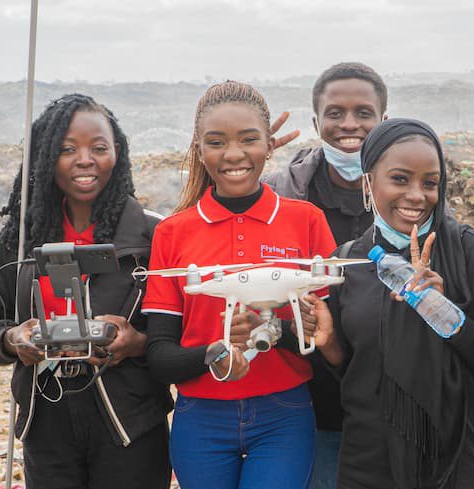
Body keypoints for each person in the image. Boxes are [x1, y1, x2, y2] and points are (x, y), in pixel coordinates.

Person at [297, 118, 474, 488]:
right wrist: (328, 342)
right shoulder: (349, 261)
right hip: (366, 456)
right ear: (369, 182)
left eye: (430, 183)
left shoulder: (468, 251)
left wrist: (445, 312)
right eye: (400, 179)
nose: (417, 195)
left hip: (449, 458)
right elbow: (353, 370)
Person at [0, 94, 173, 488]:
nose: (85, 159)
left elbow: (179, 333)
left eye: (99, 148)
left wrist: (136, 342)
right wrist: (12, 339)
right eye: (67, 149)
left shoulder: (154, 234)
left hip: (128, 425)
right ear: (46, 158)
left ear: (119, 153)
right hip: (46, 424)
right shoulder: (19, 239)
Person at [143, 81, 337, 489]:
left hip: (284, 414)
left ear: (269, 145)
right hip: (200, 418)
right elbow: (159, 356)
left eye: (249, 140)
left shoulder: (307, 221)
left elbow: (330, 343)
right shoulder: (172, 233)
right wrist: (214, 354)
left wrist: (280, 332)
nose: (233, 155)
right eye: (217, 142)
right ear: (199, 147)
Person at [263, 61, 387, 488]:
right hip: (309, 398)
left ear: (383, 121)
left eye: (363, 113)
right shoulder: (282, 194)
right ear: (316, 122)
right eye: (335, 113)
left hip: (388, 396)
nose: (348, 124)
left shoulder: (408, 193)